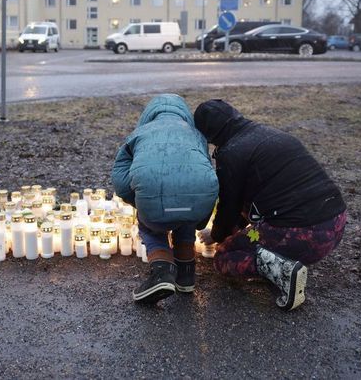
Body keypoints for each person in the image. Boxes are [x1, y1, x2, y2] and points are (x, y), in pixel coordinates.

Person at [193, 99, 347, 310]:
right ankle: (280, 262)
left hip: (302, 234)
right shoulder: (270, 133)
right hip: (336, 223)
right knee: (250, 235)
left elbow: (229, 206)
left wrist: (218, 235)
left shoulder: (231, 153)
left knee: (225, 256)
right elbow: (242, 207)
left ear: (208, 135)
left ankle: (282, 271)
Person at [112, 94, 219, 304]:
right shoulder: (197, 135)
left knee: (150, 228)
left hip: (154, 206)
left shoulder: (139, 134)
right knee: (185, 218)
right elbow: (204, 171)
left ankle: (162, 273)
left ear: (149, 114)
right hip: (196, 206)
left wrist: (139, 202)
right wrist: (202, 216)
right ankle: (186, 276)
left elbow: (120, 179)